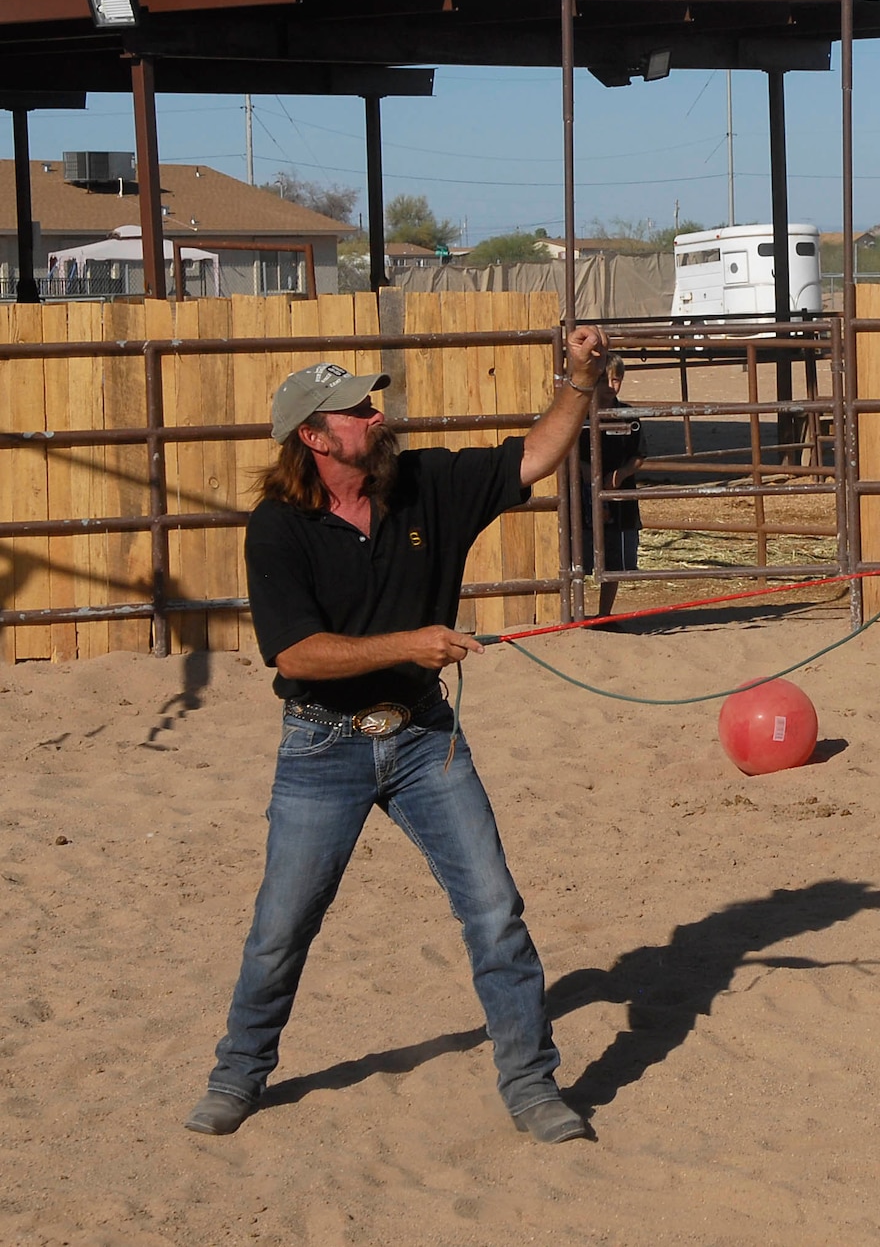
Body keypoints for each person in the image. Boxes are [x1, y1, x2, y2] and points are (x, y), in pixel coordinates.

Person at [186, 326, 611, 1146]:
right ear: (314, 437)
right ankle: (237, 1074)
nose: (375, 415)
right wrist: (410, 643)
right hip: (322, 744)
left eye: (369, 402)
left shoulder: (424, 483)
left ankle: (530, 1084)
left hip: (424, 738)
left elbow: (535, 454)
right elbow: (296, 650)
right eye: (354, 410)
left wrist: (581, 378)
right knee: (282, 926)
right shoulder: (277, 527)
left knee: (494, 910)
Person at [579, 354, 646, 617]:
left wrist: (621, 474)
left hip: (619, 497)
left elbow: (640, 455)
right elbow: (569, 450)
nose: (610, 385)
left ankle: (604, 614)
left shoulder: (630, 416)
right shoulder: (579, 416)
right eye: (603, 379)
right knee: (579, 557)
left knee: (615, 559)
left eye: (615, 379)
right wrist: (587, 473)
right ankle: (578, 613)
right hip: (584, 494)